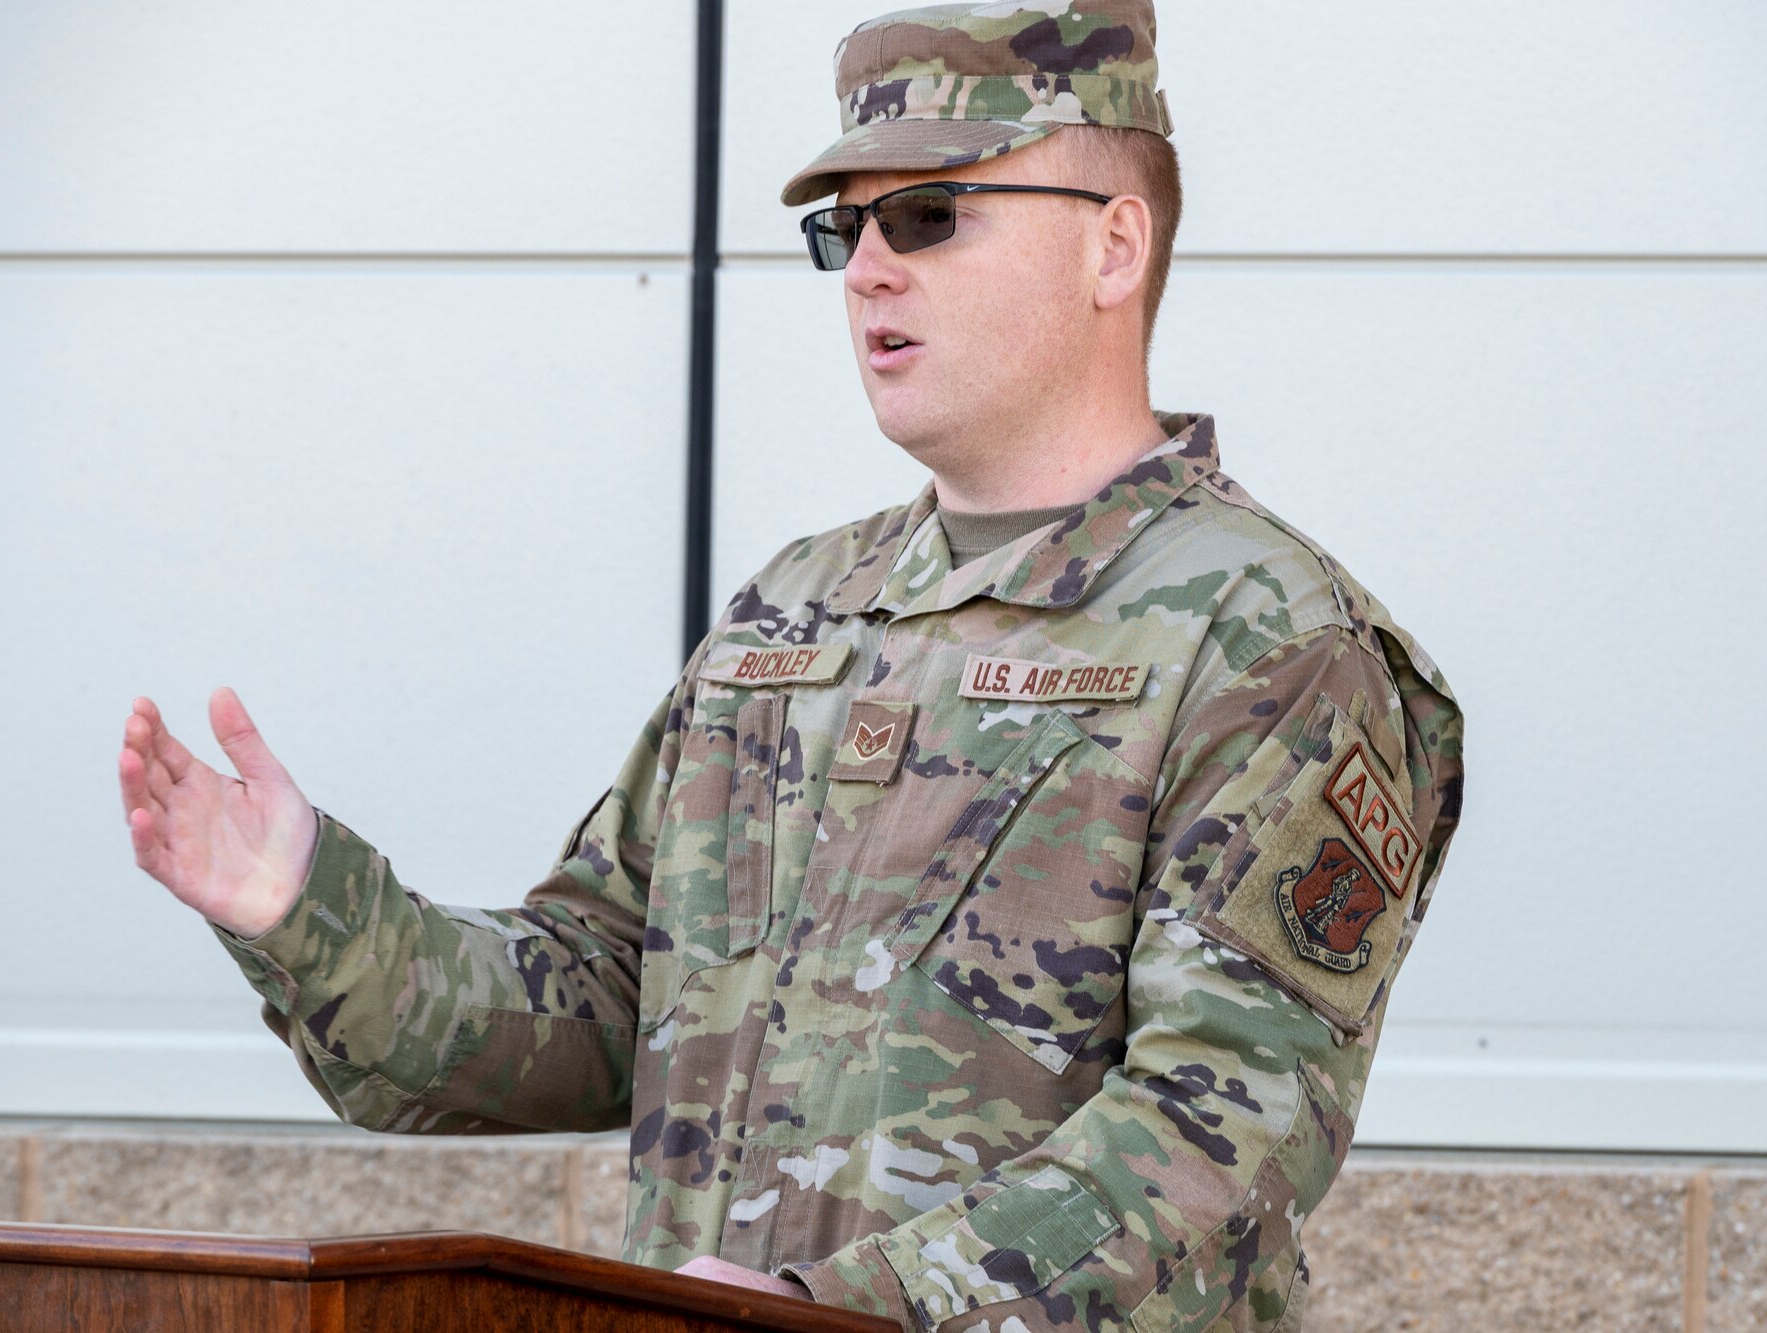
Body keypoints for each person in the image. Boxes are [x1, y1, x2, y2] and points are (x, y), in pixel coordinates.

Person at [117, 2, 1465, 1327]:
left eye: (929, 214)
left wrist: (844, 1311)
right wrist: (306, 906)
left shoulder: (1265, 639)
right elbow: (599, 999)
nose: (870, 268)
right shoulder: (797, 616)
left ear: (1114, 247)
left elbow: (1223, 1135)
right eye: (846, 228)